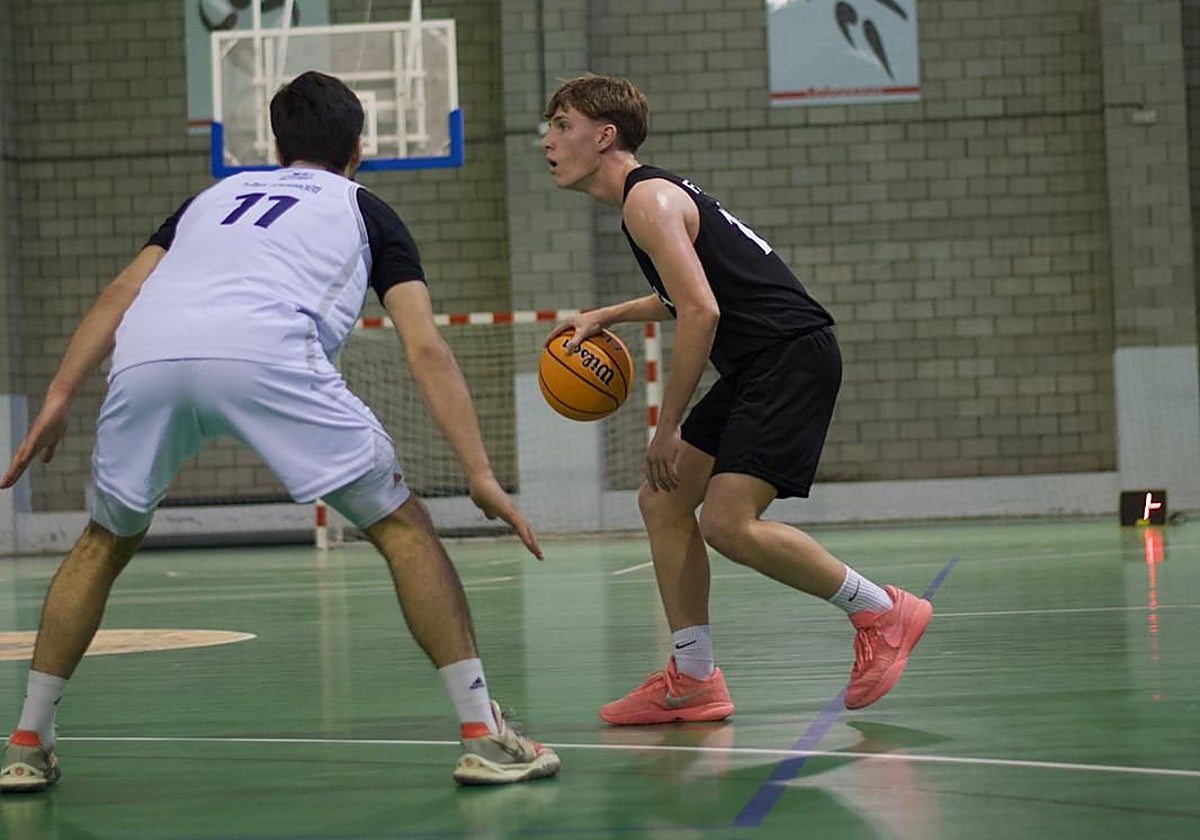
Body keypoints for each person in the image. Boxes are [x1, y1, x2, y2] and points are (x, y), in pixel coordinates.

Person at [0, 70, 559, 790]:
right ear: (359, 148)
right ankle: (484, 733)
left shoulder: (207, 200)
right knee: (403, 528)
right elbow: (426, 347)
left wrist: (58, 391)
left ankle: (25, 739)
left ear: (275, 143)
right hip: (267, 352)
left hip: (148, 355)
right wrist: (480, 473)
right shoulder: (368, 210)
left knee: (104, 540)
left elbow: (122, 290)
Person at [541, 74, 932, 725]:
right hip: (763, 360)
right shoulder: (653, 199)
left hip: (788, 356)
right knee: (663, 501)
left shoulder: (648, 203)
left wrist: (665, 428)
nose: (549, 141)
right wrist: (610, 312)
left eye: (560, 126)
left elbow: (701, 311)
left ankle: (883, 612)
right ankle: (693, 678)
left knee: (726, 522)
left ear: (603, 135)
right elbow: (687, 294)